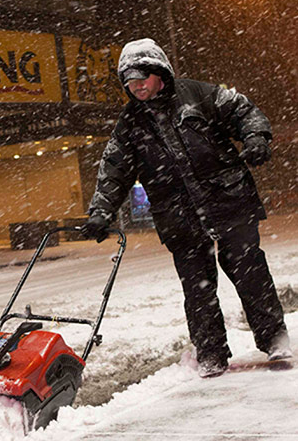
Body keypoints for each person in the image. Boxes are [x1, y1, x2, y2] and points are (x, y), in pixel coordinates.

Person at [81, 38, 291, 378]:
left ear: (159, 72)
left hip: (228, 201)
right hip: (179, 217)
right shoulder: (130, 124)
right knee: (197, 288)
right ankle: (211, 353)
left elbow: (244, 111)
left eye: (141, 78)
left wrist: (255, 137)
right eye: (129, 82)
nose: (136, 87)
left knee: (250, 271)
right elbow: (113, 170)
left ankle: (275, 339)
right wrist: (100, 212)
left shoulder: (198, 95)